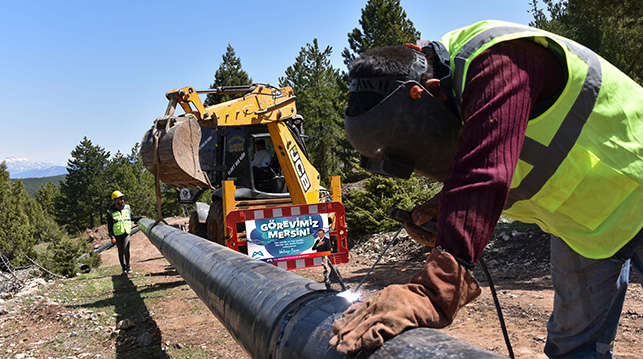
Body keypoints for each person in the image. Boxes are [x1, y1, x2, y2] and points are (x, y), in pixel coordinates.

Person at [331, 20, 643, 358]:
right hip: (585, 226)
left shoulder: (499, 59)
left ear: (430, 90)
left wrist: (434, 289)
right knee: (573, 349)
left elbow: (485, 171)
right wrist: (447, 204)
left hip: (637, 184)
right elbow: (507, 160)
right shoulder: (456, 93)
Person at [107, 190, 142, 275]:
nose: (122, 200)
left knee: (126, 250)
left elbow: (132, 217)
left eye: (122, 199)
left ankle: (128, 266)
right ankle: (123, 268)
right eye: (120, 199)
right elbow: (110, 226)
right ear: (115, 200)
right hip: (117, 234)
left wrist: (140, 218)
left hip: (126, 232)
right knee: (120, 252)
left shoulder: (127, 208)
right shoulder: (110, 211)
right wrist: (112, 237)